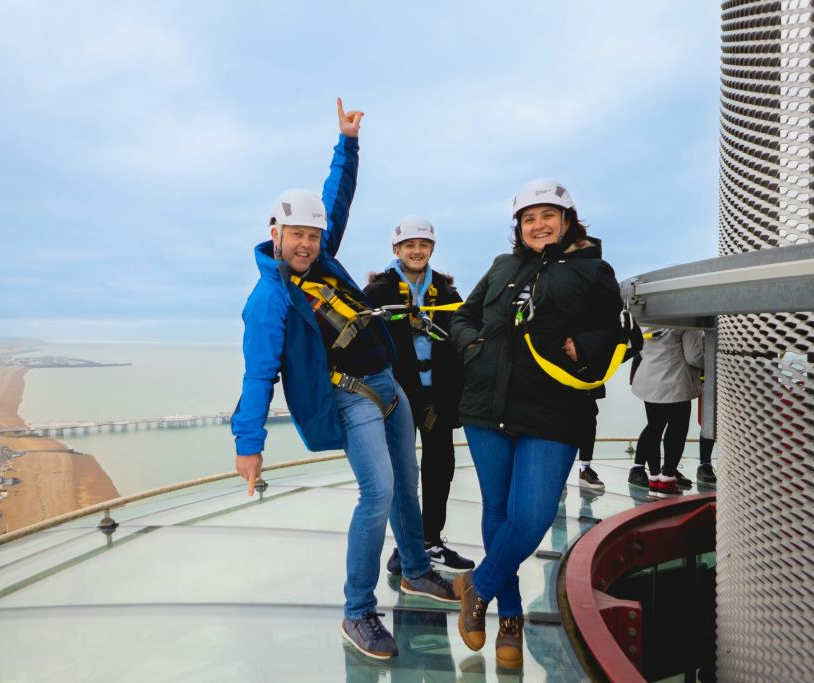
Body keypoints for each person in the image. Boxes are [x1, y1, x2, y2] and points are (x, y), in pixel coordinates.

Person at [230, 99, 457, 662]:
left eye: (313, 234)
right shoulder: (269, 300)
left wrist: (347, 143)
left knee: (408, 486)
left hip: (388, 386)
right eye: (296, 234)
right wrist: (248, 446)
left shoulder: (323, 260)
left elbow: (336, 198)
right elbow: (258, 375)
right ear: (274, 233)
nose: (306, 243)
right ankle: (358, 612)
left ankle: (416, 571)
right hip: (350, 397)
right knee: (377, 492)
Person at [450, 179, 624, 669]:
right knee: (498, 510)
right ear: (519, 228)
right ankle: (509, 615)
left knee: (532, 514)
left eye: (548, 215)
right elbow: (464, 316)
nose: (538, 225)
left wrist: (585, 348)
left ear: (568, 221)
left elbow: (615, 330)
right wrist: (470, 348)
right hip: (488, 405)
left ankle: (477, 586)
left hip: (554, 409)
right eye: (528, 219)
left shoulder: (594, 271)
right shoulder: (503, 267)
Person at [364, 216, 475, 573]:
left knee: (440, 466)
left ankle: (431, 540)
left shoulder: (445, 291)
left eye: (423, 245)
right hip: (396, 395)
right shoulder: (379, 292)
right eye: (409, 245)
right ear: (396, 250)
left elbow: (464, 329)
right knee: (401, 472)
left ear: (432, 249)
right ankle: (406, 546)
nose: (416, 251)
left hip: (437, 396)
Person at [626, 328, 704, 497]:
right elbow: (694, 357)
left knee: (654, 427)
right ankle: (667, 479)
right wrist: (714, 361)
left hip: (649, 380)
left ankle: (654, 478)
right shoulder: (687, 320)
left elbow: (637, 346)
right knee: (678, 429)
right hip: (675, 382)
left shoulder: (646, 317)